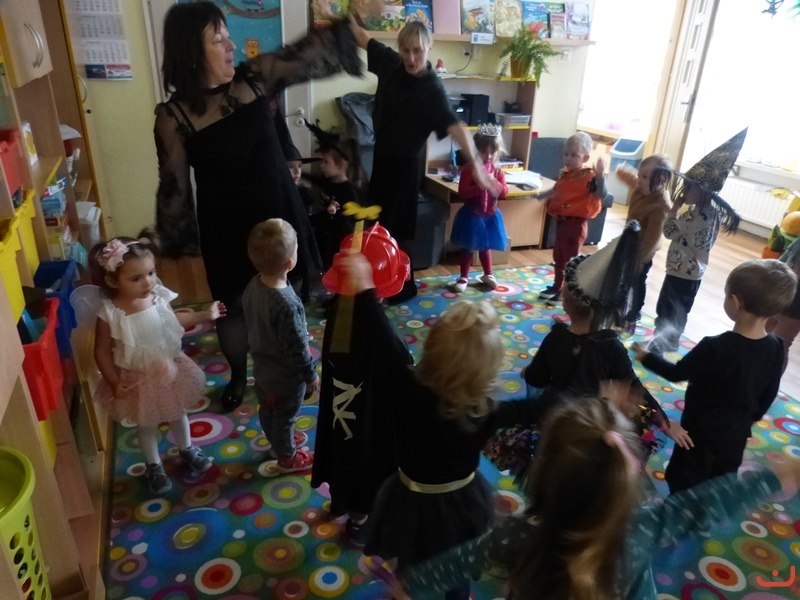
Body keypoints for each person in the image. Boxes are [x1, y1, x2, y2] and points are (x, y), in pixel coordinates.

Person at [154, 0, 361, 412]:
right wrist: (170, 239)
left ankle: (290, 367)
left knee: (288, 295)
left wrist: (350, 22)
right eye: (218, 39)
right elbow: (174, 185)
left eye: (227, 36)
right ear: (191, 52)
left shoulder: (252, 79)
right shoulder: (173, 116)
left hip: (279, 213)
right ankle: (237, 375)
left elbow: (303, 53)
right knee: (232, 308)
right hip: (225, 228)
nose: (231, 45)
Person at [386, 396, 800, 600]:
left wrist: (409, 586)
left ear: (541, 474)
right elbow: (700, 505)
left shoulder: (515, 535)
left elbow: (456, 562)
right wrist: (767, 480)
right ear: (626, 476)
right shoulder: (645, 526)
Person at [519, 223, 690, 464]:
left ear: (565, 302)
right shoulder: (612, 348)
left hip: (558, 421)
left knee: (556, 465)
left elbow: (536, 378)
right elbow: (634, 388)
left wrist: (528, 372)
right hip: (594, 426)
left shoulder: (555, 338)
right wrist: (664, 421)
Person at [350, 19, 489, 304]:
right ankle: (376, 282)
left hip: (404, 167)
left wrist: (478, 166)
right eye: (406, 50)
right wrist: (331, 12)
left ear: (429, 48)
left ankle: (403, 286)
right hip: (382, 159)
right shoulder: (390, 63)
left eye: (418, 51)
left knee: (395, 230)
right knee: (373, 224)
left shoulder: (432, 90)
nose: (411, 58)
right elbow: (362, 36)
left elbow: (457, 128)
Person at [634, 258, 797, 493]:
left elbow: (676, 373)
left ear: (736, 301)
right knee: (720, 481)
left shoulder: (713, 347)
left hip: (699, 432)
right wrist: (748, 421)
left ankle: (680, 510)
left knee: (684, 479)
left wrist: (645, 356)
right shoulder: (776, 348)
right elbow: (769, 394)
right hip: (735, 435)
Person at [87, 236, 225, 495]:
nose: (148, 282)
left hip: (171, 369)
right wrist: (114, 381)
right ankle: (154, 465)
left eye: (151, 273)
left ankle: (187, 447)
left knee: (177, 413)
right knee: (146, 424)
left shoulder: (157, 297)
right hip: (137, 378)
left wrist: (205, 315)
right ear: (113, 281)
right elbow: (101, 350)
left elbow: (174, 320)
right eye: (136, 278)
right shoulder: (109, 312)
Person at [650, 129, 746, 353]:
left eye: (689, 187)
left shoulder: (692, 216)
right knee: (681, 308)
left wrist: (673, 209)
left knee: (667, 307)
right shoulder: (713, 214)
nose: (684, 190)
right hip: (695, 273)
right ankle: (672, 341)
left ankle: (659, 346)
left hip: (679, 270)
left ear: (703, 191)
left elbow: (668, 231)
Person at [243, 219, 319, 473]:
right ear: (290, 262)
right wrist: (310, 376)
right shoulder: (286, 304)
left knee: (268, 409)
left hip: (262, 369)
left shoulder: (254, 285)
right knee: (285, 416)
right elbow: (296, 349)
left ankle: (278, 443)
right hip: (286, 378)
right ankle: (287, 457)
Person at [536, 131, 607, 305]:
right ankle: (557, 286)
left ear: (585, 158)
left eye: (574, 155)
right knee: (558, 258)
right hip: (561, 223)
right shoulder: (565, 174)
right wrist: (542, 195)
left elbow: (602, 194)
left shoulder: (590, 176)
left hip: (576, 225)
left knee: (570, 261)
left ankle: (566, 293)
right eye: (566, 154)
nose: (568, 158)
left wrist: (600, 176)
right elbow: (557, 189)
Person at [449, 125, 509, 293]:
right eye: (483, 152)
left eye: (492, 152)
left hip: (491, 216)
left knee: (485, 245)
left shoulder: (498, 171)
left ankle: (488, 274)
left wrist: (494, 182)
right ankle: (464, 276)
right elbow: (462, 193)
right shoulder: (469, 170)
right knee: (468, 246)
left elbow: (504, 192)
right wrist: (479, 187)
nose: (488, 156)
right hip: (472, 215)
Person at [615, 154, 673, 321]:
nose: (639, 181)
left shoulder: (661, 205)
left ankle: (635, 310)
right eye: (639, 175)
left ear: (661, 180)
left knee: (637, 280)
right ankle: (620, 302)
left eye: (645, 177)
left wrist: (641, 260)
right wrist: (622, 173)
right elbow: (633, 180)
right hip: (629, 241)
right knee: (624, 276)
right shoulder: (643, 188)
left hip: (644, 249)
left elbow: (653, 239)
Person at [304, 119, 365, 270]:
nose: (321, 165)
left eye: (326, 162)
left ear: (342, 163)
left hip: (339, 240)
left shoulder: (348, 190)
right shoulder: (328, 181)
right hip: (325, 234)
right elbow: (315, 180)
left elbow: (358, 220)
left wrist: (355, 249)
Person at [766, 236, 800, 373]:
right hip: (779, 293)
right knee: (761, 335)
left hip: (795, 307)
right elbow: (785, 259)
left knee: (781, 344)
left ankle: (771, 381)